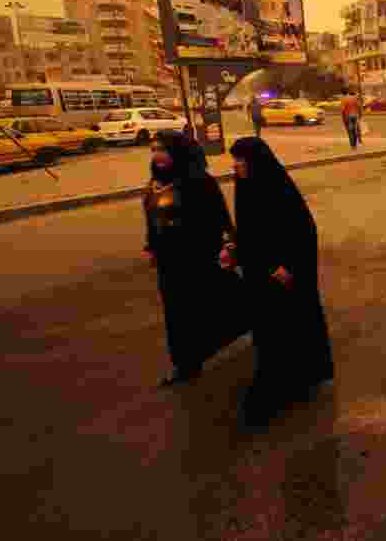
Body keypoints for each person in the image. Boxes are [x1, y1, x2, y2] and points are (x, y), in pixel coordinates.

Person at [224, 137, 334, 426]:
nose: (235, 166)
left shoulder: (279, 188)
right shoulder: (245, 189)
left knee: (285, 330)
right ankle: (281, 383)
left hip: (283, 277)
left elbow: (303, 231)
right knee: (269, 334)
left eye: (240, 160)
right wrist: (234, 250)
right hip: (259, 275)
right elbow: (249, 233)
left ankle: (279, 389)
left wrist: (288, 266)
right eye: (234, 160)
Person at [143, 130, 236, 387]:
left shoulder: (199, 181)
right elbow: (152, 218)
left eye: (162, 149)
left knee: (213, 305)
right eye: (153, 150)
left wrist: (228, 246)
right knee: (176, 313)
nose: (157, 155)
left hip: (197, 258)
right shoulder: (155, 182)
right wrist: (151, 245)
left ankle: (255, 323)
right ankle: (186, 364)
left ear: (178, 152)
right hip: (168, 262)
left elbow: (220, 218)